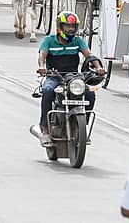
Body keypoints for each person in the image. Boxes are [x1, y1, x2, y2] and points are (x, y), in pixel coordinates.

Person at [35, 11, 104, 146]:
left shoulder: (78, 41)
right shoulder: (49, 41)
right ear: (60, 27)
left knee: (90, 94)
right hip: (54, 76)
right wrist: (42, 67)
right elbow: (42, 56)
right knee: (48, 91)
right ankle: (45, 129)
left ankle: (82, 128)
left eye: (73, 26)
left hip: (73, 77)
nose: (71, 29)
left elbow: (89, 55)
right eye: (67, 26)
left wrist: (98, 67)